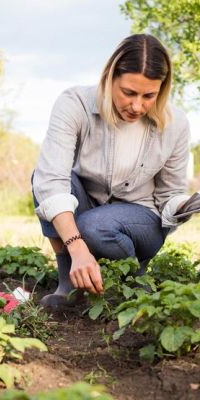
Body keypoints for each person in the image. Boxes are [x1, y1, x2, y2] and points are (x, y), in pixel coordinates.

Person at [31, 33, 191, 309]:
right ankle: (70, 287)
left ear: (161, 90)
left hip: (142, 219)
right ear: (109, 78)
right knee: (45, 179)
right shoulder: (75, 104)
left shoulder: (175, 124)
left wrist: (183, 205)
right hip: (89, 206)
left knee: (94, 225)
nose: (137, 106)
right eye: (128, 92)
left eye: (149, 95)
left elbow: (170, 194)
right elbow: (52, 183)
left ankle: (131, 282)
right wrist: (77, 247)